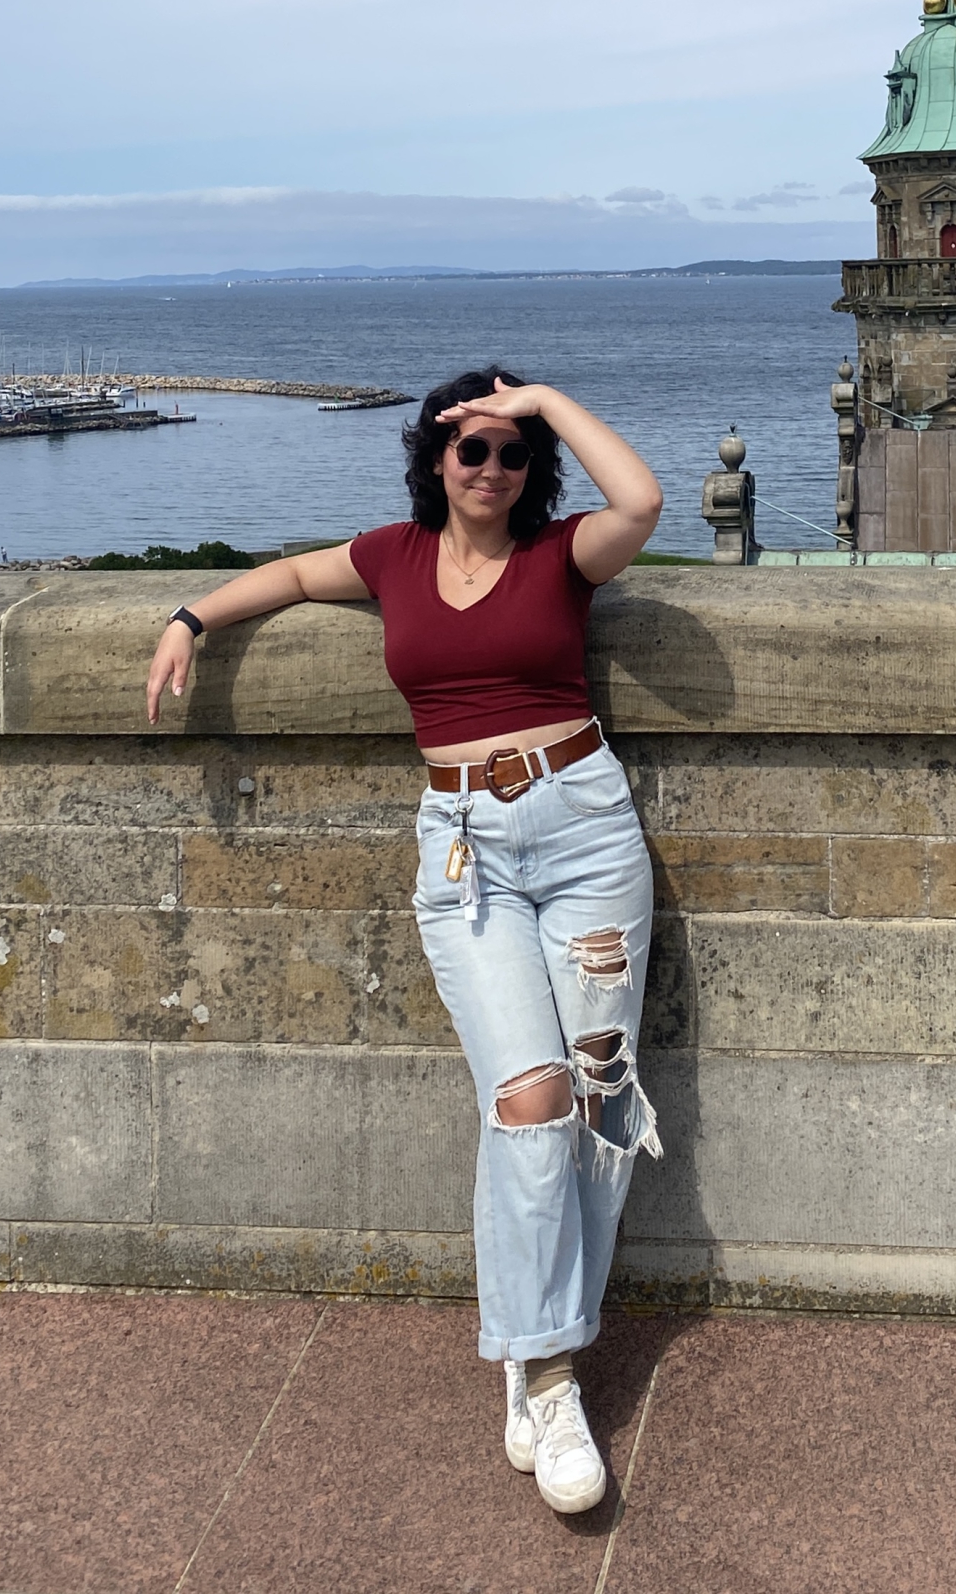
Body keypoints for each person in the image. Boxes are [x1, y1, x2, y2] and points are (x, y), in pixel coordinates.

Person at [144, 367, 664, 1517]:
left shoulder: (564, 553)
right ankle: (549, 1370)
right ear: (432, 459)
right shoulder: (391, 558)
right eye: (467, 448)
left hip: (585, 836)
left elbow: (643, 500)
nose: (489, 467)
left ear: (533, 468)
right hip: (464, 847)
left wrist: (552, 398)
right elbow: (286, 574)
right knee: (527, 1098)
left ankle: (534, 1357)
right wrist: (188, 617)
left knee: (600, 1094)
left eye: (510, 451)